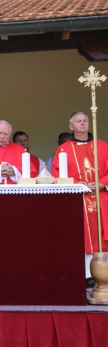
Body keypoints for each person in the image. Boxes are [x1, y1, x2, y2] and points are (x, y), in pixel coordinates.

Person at [52, 112, 108, 278]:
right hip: (77, 201)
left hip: (101, 198)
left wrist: (102, 183)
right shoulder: (63, 149)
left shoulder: (102, 146)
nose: (83, 123)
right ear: (71, 127)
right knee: (81, 236)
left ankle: (105, 273)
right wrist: (76, 184)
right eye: (79, 121)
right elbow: (57, 175)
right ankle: (86, 275)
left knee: (102, 233)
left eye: (85, 121)